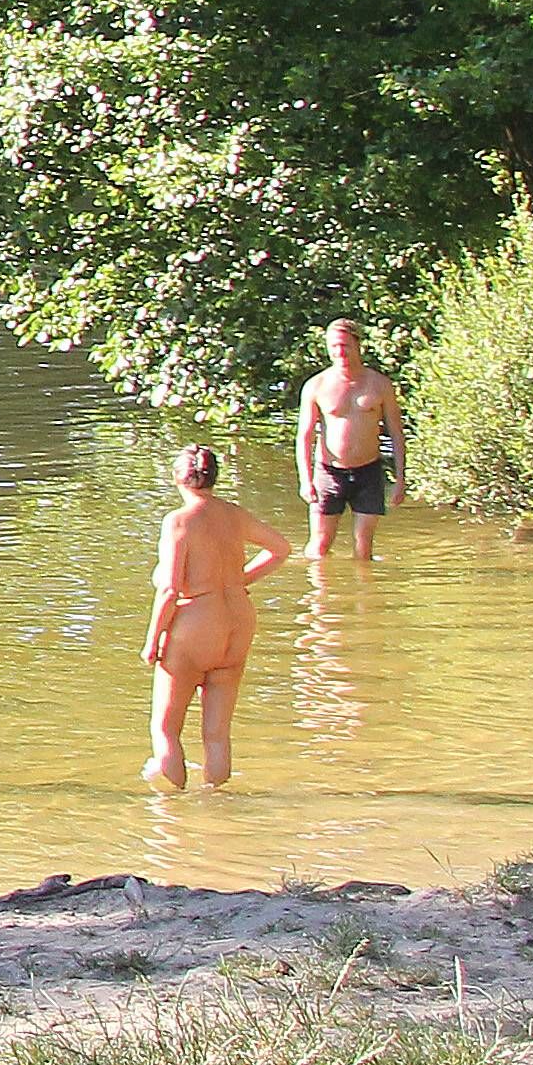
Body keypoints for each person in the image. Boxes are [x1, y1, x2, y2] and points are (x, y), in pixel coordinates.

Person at [141, 444, 290, 789]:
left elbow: (170, 589)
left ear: (178, 478)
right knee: (218, 734)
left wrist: (152, 641)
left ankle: (171, 815)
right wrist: (241, 580)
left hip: (197, 621)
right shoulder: (234, 515)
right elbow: (280, 549)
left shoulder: (178, 521)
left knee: (165, 729)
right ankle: (217, 806)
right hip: (238, 618)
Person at [297, 319, 400, 567]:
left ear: (358, 345)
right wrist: (305, 480)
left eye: (344, 345)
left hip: (369, 471)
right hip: (329, 472)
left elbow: (396, 433)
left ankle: (363, 600)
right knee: (319, 545)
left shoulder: (379, 384)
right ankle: (319, 601)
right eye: (333, 346)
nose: (339, 352)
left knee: (363, 549)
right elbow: (305, 435)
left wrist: (400, 479)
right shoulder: (317, 385)